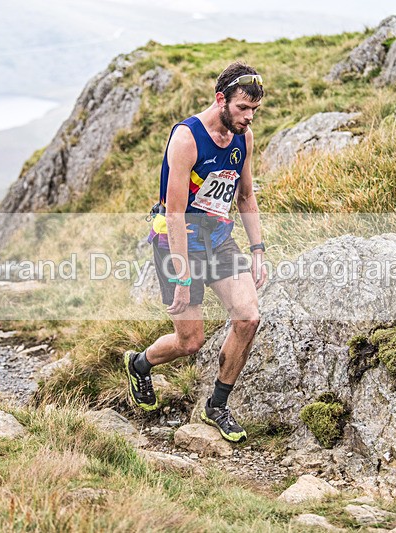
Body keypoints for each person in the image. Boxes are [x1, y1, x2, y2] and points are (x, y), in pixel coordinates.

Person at [124, 61, 267, 443]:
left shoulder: (243, 138)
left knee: (248, 318)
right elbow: (173, 213)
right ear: (221, 100)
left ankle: (216, 405)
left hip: (219, 239)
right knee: (190, 342)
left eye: (254, 110)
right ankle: (139, 364)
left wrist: (258, 250)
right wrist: (184, 278)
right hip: (178, 241)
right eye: (242, 108)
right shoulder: (187, 138)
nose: (248, 118)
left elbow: (246, 195)